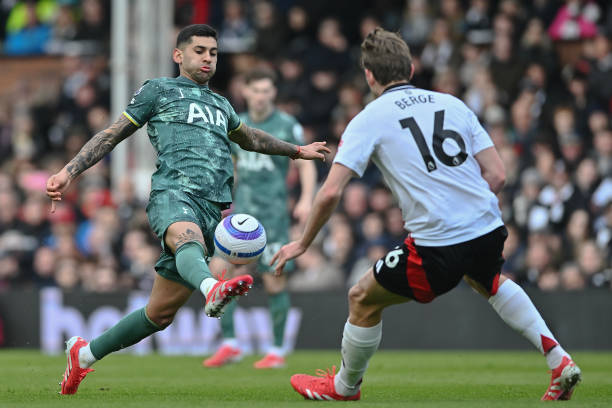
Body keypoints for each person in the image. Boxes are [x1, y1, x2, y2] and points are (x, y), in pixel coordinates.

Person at [271, 27, 582, 402]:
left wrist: (303, 243)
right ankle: (559, 360)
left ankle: (344, 387)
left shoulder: (369, 119)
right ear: (412, 68)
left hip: (437, 243)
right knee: (489, 280)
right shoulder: (452, 103)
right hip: (488, 226)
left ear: (369, 76)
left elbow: (331, 191)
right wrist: (467, 213)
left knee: (362, 297)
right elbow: (497, 173)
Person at [46, 24, 329, 395]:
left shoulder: (222, 105)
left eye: (213, 52)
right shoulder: (158, 90)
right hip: (174, 192)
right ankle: (211, 287)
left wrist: (296, 151)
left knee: (159, 315)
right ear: (179, 55)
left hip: (214, 209)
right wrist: (70, 171)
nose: (208, 58)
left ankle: (84, 355)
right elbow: (112, 133)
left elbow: (252, 138)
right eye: (199, 51)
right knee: (185, 237)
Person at [203, 67, 316, 369]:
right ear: (246, 92)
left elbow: (305, 163)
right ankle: (230, 344)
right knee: (221, 275)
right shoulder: (237, 125)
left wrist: (306, 199)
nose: (262, 96)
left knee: (275, 281)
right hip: (241, 217)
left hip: (274, 216)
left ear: (274, 93)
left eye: (267, 90)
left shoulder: (286, 125)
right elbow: (233, 167)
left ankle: (277, 351)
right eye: (256, 90)